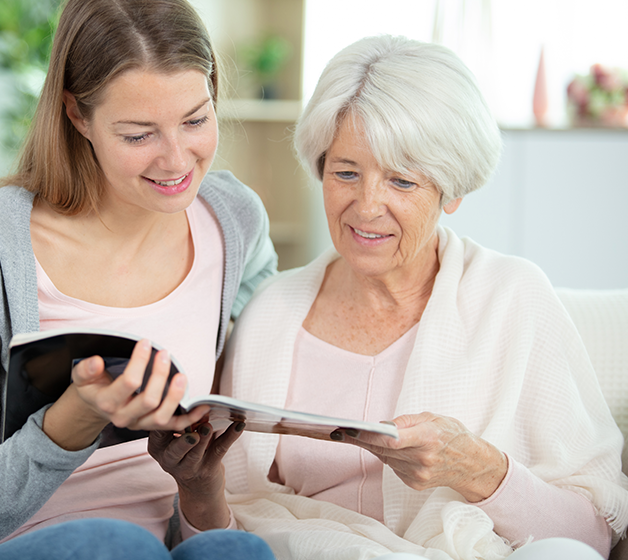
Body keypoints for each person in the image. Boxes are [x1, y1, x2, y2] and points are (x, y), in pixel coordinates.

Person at [0, 1, 278, 559]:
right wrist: (76, 418)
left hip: (155, 544)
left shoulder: (234, 220)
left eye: (195, 119)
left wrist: (201, 488)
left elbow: (279, 329)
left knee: (236, 553)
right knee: (111, 545)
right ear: (77, 115)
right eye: (139, 135)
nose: (177, 160)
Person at [152, 35, 628, 559]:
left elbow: (592, 539)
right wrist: (199, 491)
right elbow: (222, 541)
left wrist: (481, 470)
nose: (367, 206)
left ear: (453, 190)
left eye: (401, 181)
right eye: (346, 173)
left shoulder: (514, 297)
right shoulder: (271, 313)